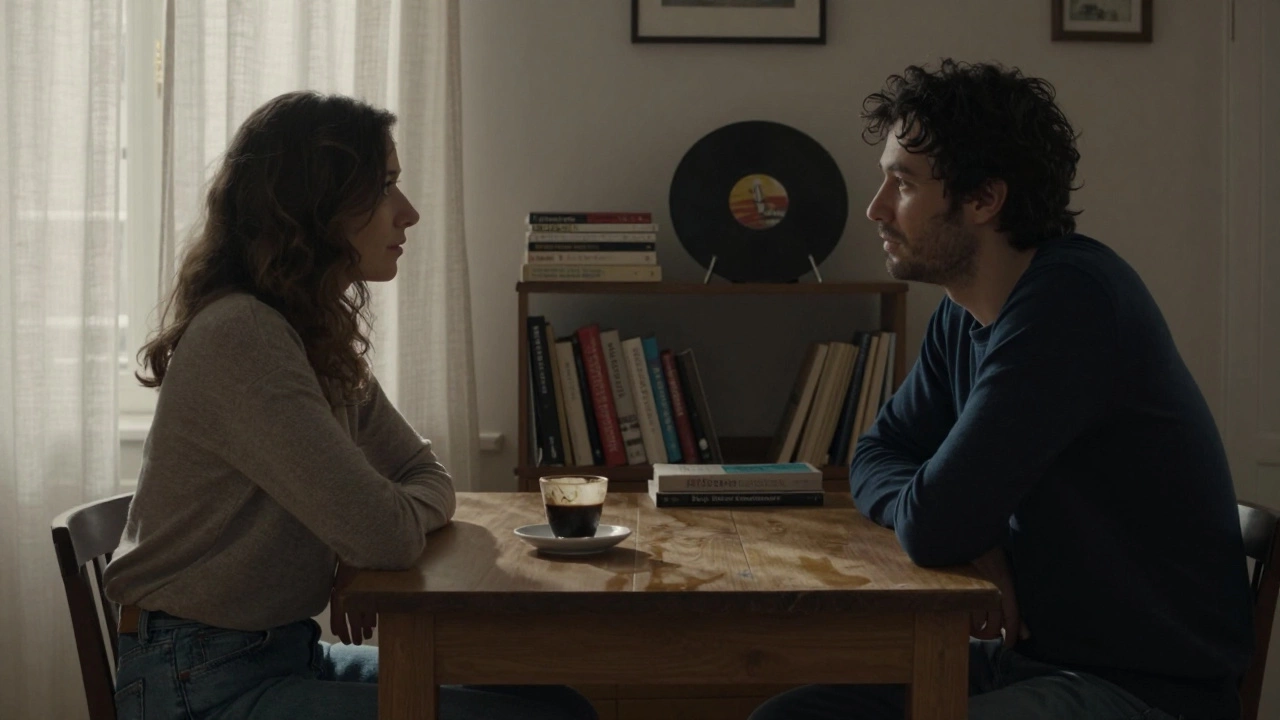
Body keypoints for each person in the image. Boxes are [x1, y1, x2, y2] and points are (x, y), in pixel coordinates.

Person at [750, 59, 1254, 720]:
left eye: (902, 184)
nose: (876, 208)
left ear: (985, 199)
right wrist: (966, 535)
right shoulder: (966, 312)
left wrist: (948, 525)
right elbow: (875, 454)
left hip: (1140, 690)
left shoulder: (1071, 305)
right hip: (1033, 660)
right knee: (790, 716)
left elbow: (933, 526)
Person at [102, 91, 597, 720]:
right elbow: (384, 532)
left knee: (558, 705)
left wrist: (365, 537)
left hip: (281, 655)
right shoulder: (244, 336)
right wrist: (364, 537)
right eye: (385, 186)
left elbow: (428, 478)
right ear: (316, 206)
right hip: (200, 682)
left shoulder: (309, 333)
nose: (409, 212)